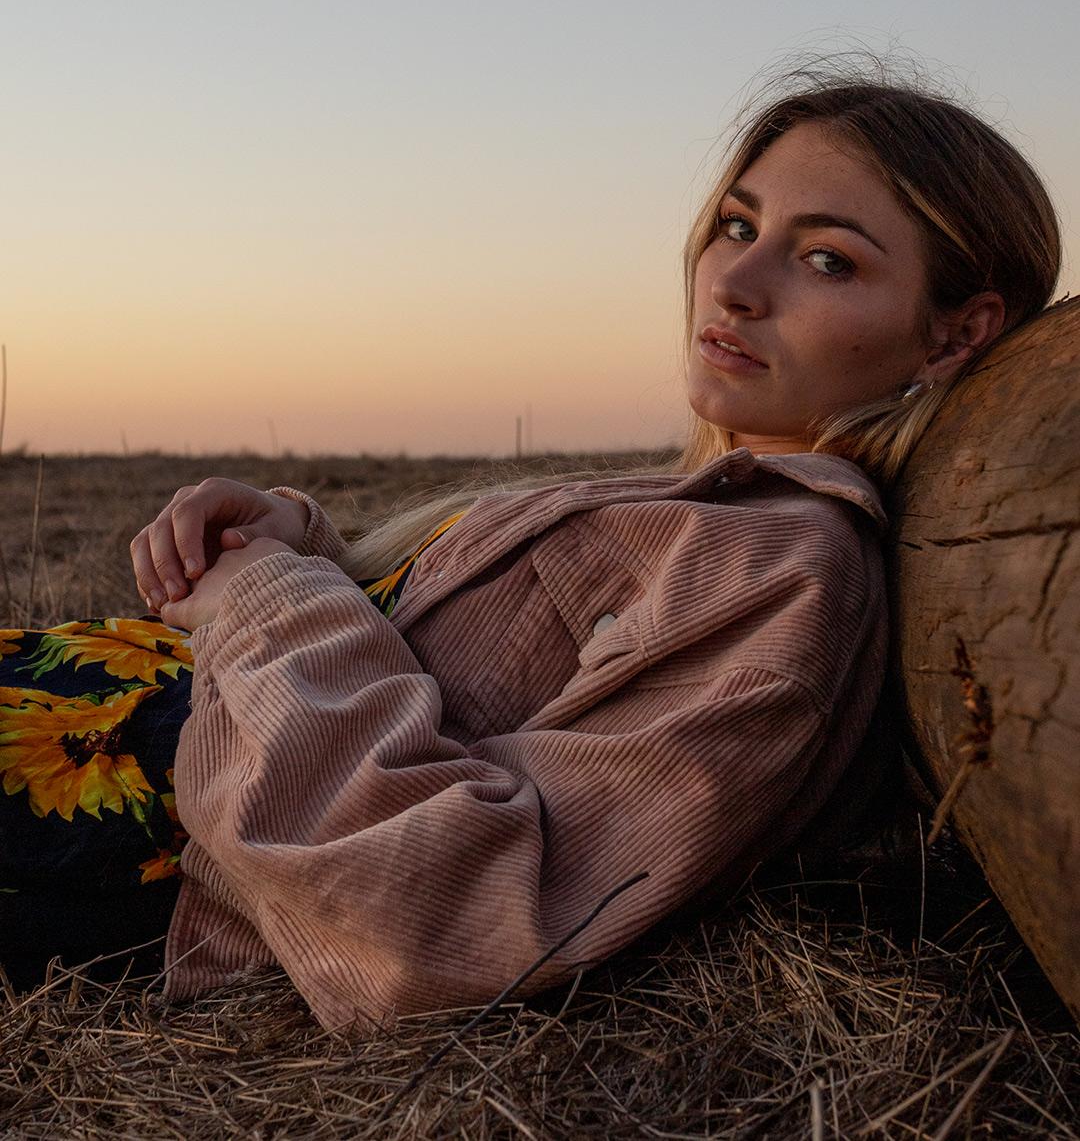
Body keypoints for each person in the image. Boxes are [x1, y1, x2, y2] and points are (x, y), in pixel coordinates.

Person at [0, 66, 1061, 1031]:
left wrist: (267, 595)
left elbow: (446, 910)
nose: (736, 283)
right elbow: (469, 652)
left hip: (133, 807)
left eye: (827, 259)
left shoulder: (789, 570)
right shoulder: (721, 500)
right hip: (102, 709)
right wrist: (310, 541)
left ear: (955, 334)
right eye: (738, 226)